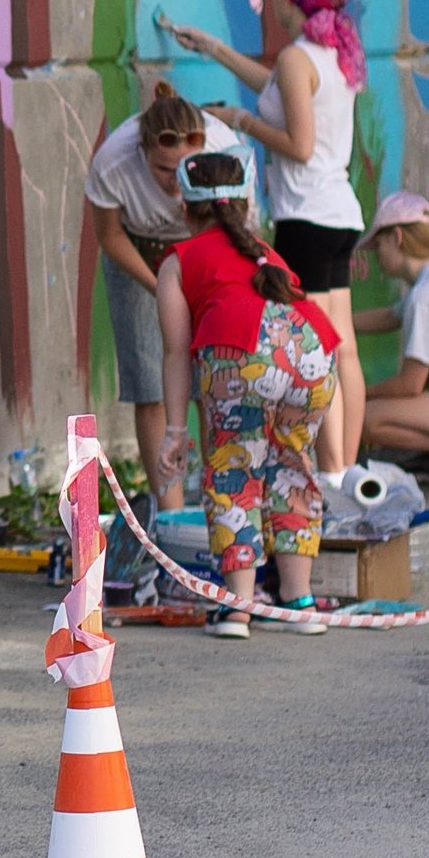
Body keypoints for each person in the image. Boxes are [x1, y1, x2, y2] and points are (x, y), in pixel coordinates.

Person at [168, 0, 366, 492]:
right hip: (339, 212)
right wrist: (214, 49)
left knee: (321, 345)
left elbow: (297, 143)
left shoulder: (297, 57)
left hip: (306, 214)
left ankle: (330, 476)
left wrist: (238, 122)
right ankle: (344, 474)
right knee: (341, 342)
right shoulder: (332, 53)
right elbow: (280, 93)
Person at [156, 151, 337, 639]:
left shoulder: (179, 261)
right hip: (315, 352)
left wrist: (175, 431)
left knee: (236, 469)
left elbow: (176, 352)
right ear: (245, 200)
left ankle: (238, 607)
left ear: (183, 205)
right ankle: (297, 601)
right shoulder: (265, 252)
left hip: (242, 352)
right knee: (292, 466)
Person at [84, 84, 251, 509]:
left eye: (185, 171)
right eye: (163, 170)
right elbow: (109, 235)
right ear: (141, 150)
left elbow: (241, 230)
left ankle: (221, 500)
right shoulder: (112, 161)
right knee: (148, 382)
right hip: (139, 253)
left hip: (205, 246)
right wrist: (161, 288)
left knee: (212, 378)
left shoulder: (225, 149)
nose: (175, 183)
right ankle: (171, 513)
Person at [353, 191, 429, 455]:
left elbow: (410, 384)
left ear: (397, 237)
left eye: (379, 245)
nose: (377, 256)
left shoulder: (425, 295)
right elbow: (391, 316)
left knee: (368, 418)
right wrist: (332, 320)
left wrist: (359, 394)